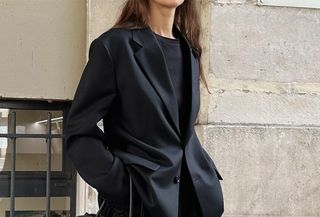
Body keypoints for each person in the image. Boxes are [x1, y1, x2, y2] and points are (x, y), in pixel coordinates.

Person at [64, 0, 224, 217]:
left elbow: (180, 132)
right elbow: (78, 132)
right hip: (141, 204)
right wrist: (124, 188)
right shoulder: (114, 46)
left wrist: (204, 173)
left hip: (194, 201)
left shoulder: (190, 50)